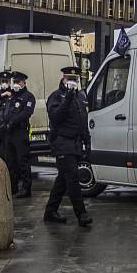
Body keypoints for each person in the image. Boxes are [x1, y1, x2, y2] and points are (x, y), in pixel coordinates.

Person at [44, 66, 93, 227]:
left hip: (76, 144)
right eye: (69, 79)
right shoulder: (56, 97)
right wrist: (67, 99)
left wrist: (87, 141)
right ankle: (82, 214)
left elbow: (82, 120)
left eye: (75, 80)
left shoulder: (80, 97)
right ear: (63, 79)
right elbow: (56, 117)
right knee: (72, 178)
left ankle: (50, 212)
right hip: (62, 143)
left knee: (63, 180)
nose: (73, 82)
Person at [0, 71, 35, 198]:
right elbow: (6, 111)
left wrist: (12, 121)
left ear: (24, 82)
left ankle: (26, 189)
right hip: (9, 133)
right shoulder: (11, 96)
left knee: (22, 161)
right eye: (14, 82)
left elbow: (26, 113)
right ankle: (13, 187)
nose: (15, 84)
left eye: (17, 82)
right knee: (11, 161)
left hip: (20, 132)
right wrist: (3, 122)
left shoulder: (28, 97)